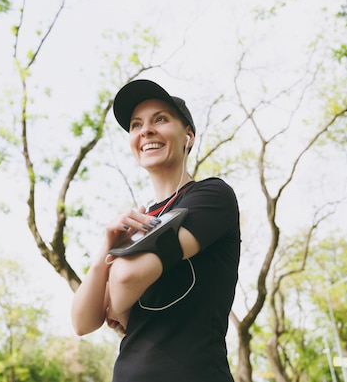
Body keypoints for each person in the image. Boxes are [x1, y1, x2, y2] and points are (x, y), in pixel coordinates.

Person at [71, 79, 241, 382]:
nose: (145, 130)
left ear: (188, 135)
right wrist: (105, 252)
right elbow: (83, 321)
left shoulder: (211, 196)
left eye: (160, 119)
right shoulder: (137, 221)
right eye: (136, 125)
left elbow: (125, 277)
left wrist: (115, 304)